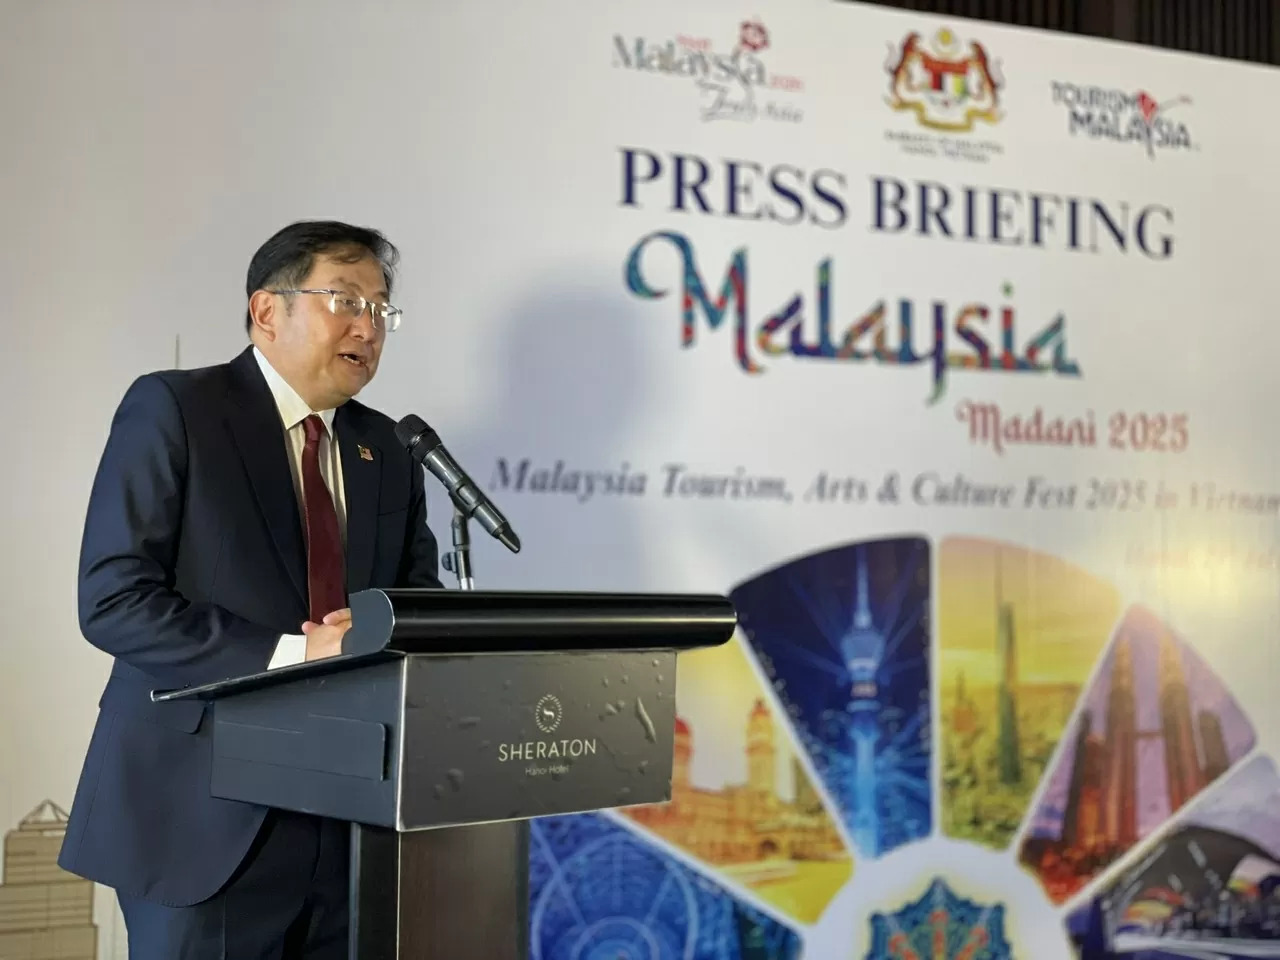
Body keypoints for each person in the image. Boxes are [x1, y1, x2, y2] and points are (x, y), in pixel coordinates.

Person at [58, 220, 443, 958]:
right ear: (268, 310)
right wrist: (295, 652)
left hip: (351, 822)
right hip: (201, 817)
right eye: (346, 300)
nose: (369, 327)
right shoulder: (178, 409)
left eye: (381, 309)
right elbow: (114, 599)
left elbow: (415, 610)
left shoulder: (390, 449)